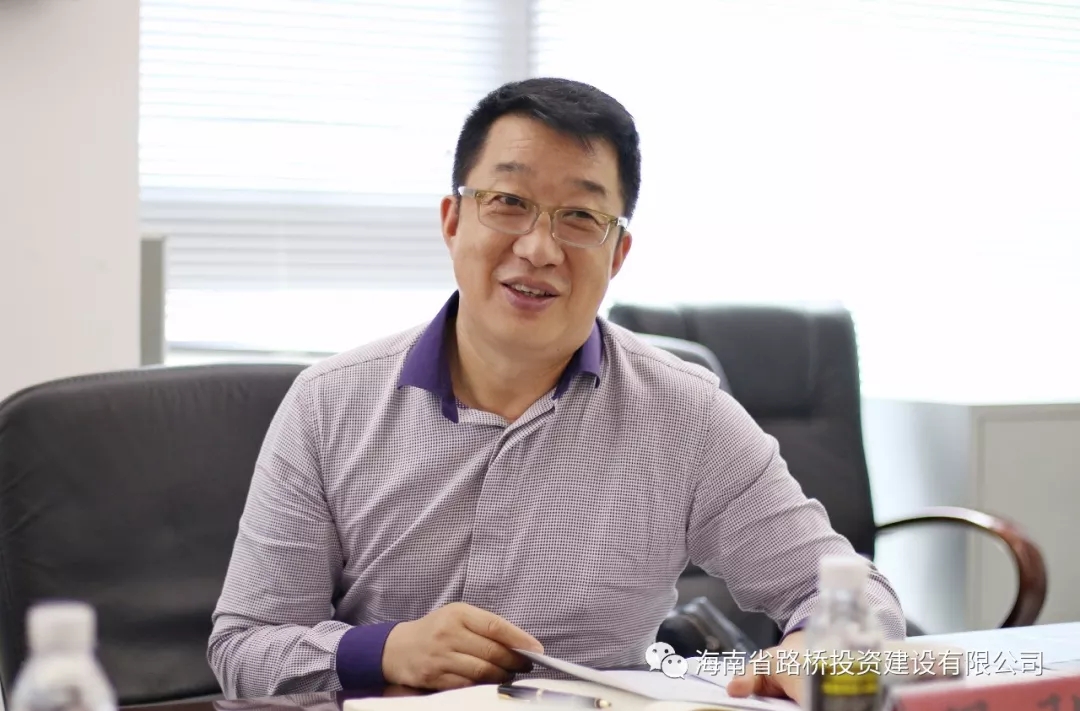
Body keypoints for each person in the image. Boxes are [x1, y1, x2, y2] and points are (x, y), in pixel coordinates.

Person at [207, 77, 906, 704]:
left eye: (580, 218)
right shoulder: (328, 405)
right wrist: (384, 650)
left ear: (617, 252)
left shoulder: (688, 415)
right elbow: (244, 647)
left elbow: (853, 593)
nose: (539, 248)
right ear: (452, 220)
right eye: (508, 203)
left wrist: (823, 648)